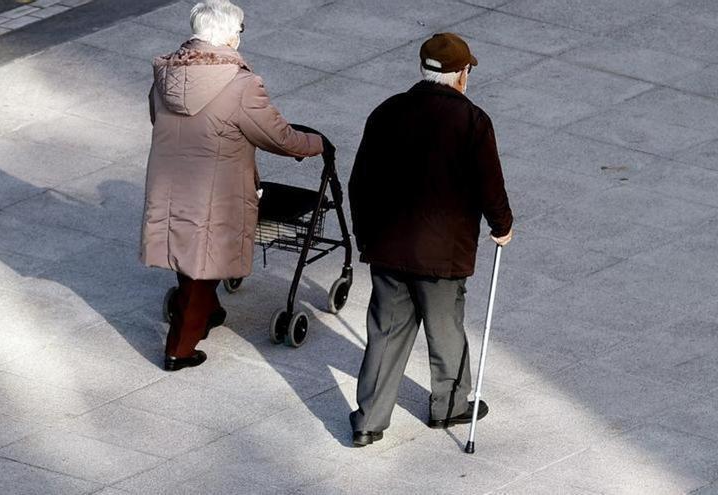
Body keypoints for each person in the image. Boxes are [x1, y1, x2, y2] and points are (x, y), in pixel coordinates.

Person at [141, 0, 326, 371]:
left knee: (190, 256)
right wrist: (318, 144)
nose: (241, 35)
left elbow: (154, 118)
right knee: (202, 267)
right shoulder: (241, 84)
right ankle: (179, 349)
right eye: (240, 29)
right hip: (216, 193)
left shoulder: (166, 75)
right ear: (226, 35)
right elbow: (279, 137)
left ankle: (208, 313)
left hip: (170, 183)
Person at [347, 33, 513, 446]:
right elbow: (489, 184)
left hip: (388, 247)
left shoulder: (386, 112)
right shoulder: (473, 121)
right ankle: (451, 406)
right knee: (445, 330)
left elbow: (359, 181)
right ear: (462, 75)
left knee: (385, 332)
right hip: (442, 255)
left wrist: (366, 235)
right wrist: (502, 225)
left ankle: (368, 420)